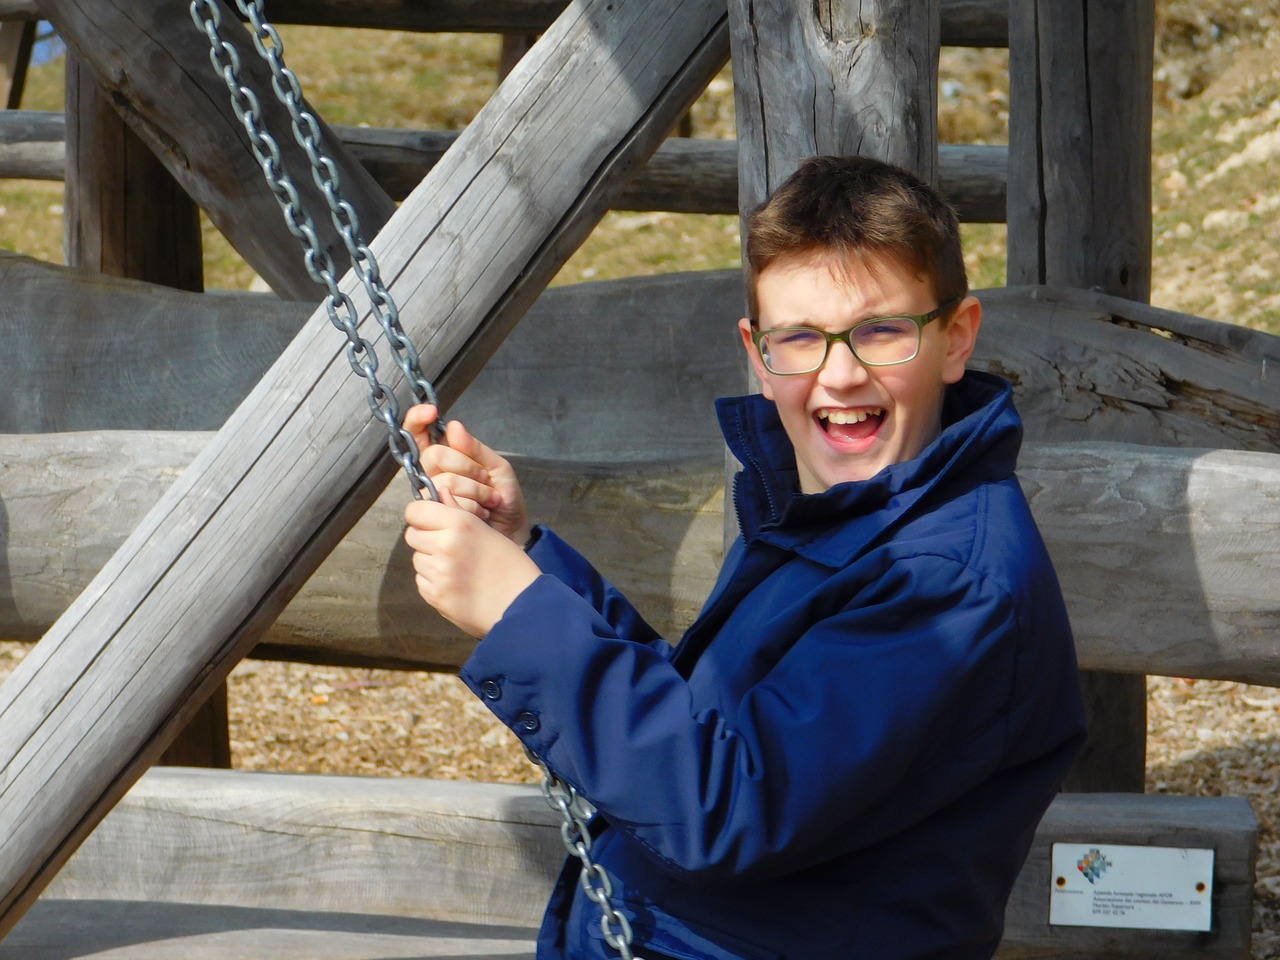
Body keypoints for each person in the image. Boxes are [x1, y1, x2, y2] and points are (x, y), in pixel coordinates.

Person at [402, 155, 1086, 960]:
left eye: (881, 331)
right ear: (759, 355)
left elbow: (726, 806)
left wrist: (518, 613)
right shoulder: (845, 520)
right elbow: (703, 721)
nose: (839, 373)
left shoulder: (945, 586)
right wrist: (523, 558)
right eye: (800, 337)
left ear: (955, 337)